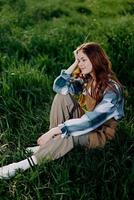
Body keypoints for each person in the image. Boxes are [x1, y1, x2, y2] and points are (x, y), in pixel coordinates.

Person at [0, 42, 124, 179]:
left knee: (70, 133)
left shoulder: (112, 89)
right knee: (62, 97)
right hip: (87, 122)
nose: (80, 64)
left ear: (95, 59)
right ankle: (52, 144)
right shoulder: (87, 80)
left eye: (83, 60)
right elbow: (59, 87)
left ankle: (22, 165)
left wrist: (54, 130)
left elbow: (91, 122)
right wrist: (73, 65)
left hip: (101, 132)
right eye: (78, 60)